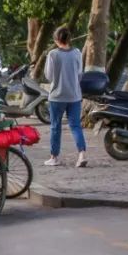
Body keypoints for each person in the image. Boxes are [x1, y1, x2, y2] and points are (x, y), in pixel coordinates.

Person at [44, 25, 87, 167]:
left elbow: (49, 76)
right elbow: (80, 74)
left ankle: (54, 157)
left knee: (55, 126)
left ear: (56, 39)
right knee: (75, 125)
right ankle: (81, 155)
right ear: (69, 39)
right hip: (74, 95)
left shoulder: (53, 55)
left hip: (57, 96)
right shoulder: (77, 53)